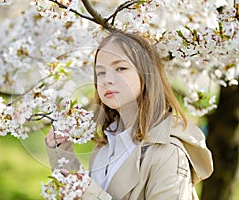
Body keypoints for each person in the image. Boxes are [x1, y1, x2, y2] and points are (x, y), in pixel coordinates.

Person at [45, 31, 213, 199]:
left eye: (121, 68)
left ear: (146, 75)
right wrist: (61, 150)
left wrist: (91, 195)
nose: (107, 80)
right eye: (101, 72)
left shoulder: (168, 154)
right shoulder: (106, 145)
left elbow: (93, 195)